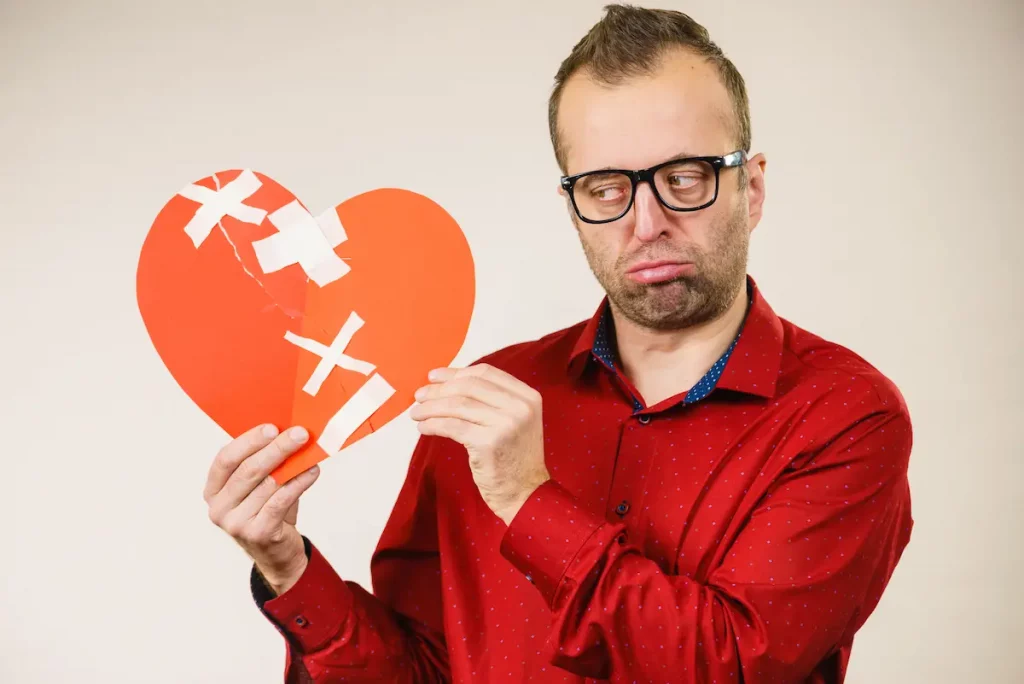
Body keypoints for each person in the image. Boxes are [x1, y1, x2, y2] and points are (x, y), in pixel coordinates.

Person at [203, 5, 913, 682]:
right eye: (606, 188)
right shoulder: (489, 401)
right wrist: (288, 567)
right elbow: (425, 670)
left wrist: (528, 500)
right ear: (573, 206)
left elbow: (729, 665)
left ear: (751, 189)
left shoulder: (845, 415)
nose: (647, 221)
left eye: (685, 177)